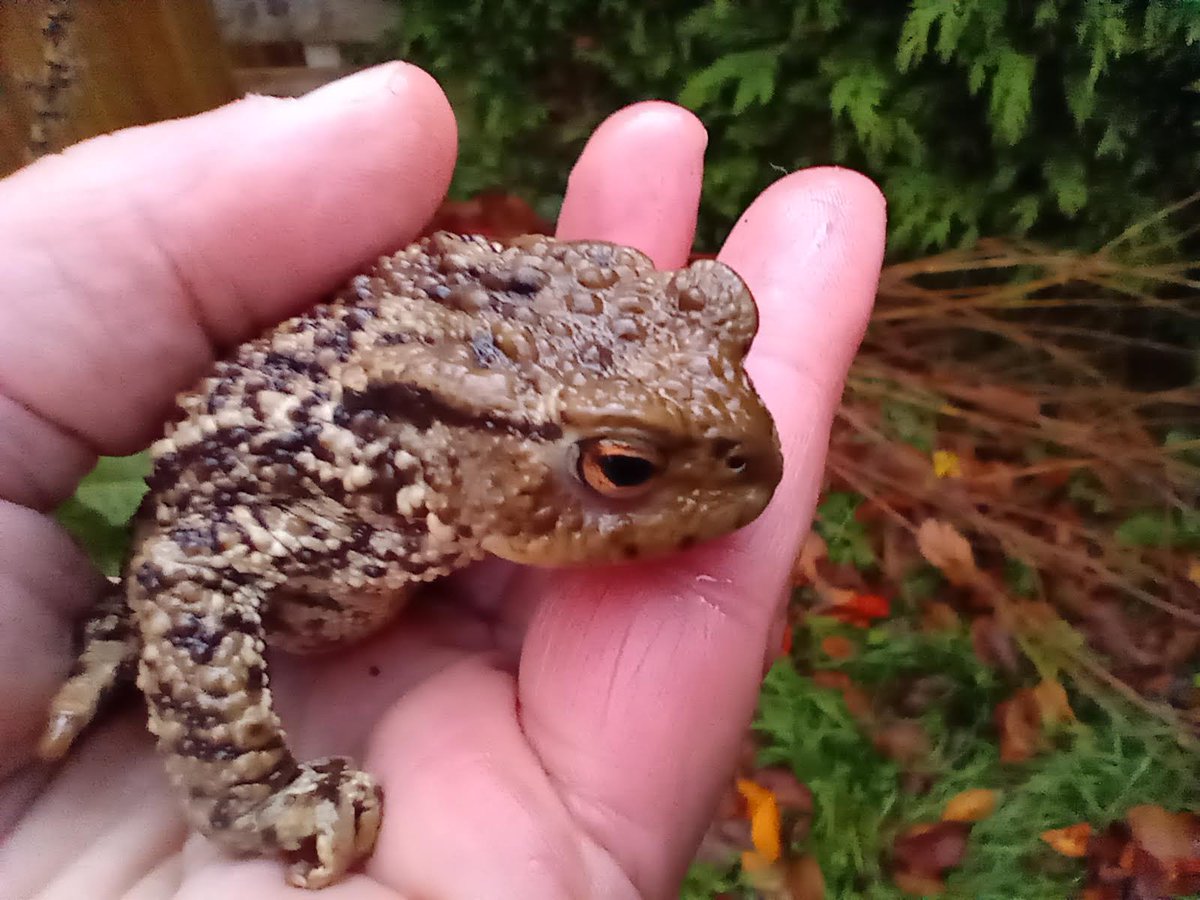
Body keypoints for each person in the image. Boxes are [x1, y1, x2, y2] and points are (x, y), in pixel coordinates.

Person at [0, 63, 885, 899]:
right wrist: (247, 790)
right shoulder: (352, 484)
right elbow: (185, 569)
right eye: (627, 469)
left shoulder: (481, 419)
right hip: (283, 500)